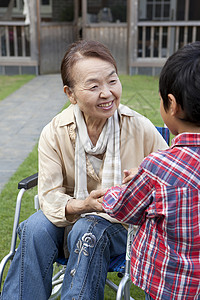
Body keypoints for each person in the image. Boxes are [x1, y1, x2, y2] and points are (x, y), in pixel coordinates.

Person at [1, 40, 167, 300]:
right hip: (68, 218)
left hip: (122, 227)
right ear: (71, 93)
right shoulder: (54, 132)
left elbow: (171, 179)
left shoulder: (139, 127)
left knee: (88, 229)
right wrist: (83, 205)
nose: (107, 93)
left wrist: (145, 179)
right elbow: (50, 196)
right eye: (94, 86)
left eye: (112, 81)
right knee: (34, 228)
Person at [102, 41, 200, 300]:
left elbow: (124, 208)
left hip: (172, 284)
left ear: (172, 104)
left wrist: (115, 190)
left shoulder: (159, 167)